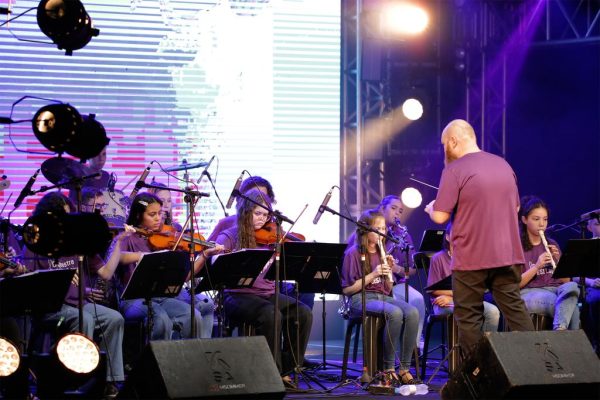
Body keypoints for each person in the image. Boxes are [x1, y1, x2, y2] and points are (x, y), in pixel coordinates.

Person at [424, 119, 533, 360]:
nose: (444, 150)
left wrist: (431, 208)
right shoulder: (503, 165)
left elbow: (441, 217)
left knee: (469, 319)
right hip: (508, 255)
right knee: (515, 311)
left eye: (444, 145)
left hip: (472, 258)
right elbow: (515, 208)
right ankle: (535, 372)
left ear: (453, 141)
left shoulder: (454, 169)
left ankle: (476, 381)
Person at [21, 191, 129, 397]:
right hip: (50, 307)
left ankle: (112, 380)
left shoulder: (76, 240)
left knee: (114, 319)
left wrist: (119, 242)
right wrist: (59, 277)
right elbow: (31, 280)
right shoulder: (36, 242)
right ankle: (81, 378)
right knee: (85, 319)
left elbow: (106, 273)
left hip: (77, 304)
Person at [214, 188, 312, 388]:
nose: (262, 219)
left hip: (266, 293)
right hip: (236, 295)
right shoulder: (229, 236)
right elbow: (217, 267)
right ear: (245, 211)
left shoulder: (272, 237)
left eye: (266, 215)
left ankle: (288, 369)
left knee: (303, 313)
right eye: (257, 213)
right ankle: (271, 372)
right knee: (271, 315)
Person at [115, 192, 220, 340]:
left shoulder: (165, 237)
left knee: (193, 314)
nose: (158, 218)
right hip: (133, 299)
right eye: (152, 214)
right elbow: (116, 257)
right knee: (161, 319)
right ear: (138, 215)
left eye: (160, 213)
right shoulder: (127, 236)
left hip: (162, 296)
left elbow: (184, 277)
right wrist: (143, 256)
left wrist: (204, 255)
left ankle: (195, 356)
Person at [341, 209, 420, 385]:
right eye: (377, 229)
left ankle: (405, 368)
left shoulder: (382, 251)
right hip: (359, 299)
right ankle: (389, 368)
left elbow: (388, 288)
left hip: (381, 296)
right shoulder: (353, 253)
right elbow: (347, 290)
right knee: (395, 313)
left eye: (383, 229)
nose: (381, 233)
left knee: (413, 312)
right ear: (365, 230)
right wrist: (373, 274)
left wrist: (389, 270)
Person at [147, 182, 215, 338]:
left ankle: (204, 350)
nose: (165, 206)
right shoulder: (147, 234)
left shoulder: (177, 229)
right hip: (159, 293)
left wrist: (204, 254)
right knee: (193, 312)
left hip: (176, 288)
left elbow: (186, 275)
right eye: (161, 201)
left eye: (169, 201)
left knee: (208, 305)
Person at [518, 196, 580, 330]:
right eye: (536, 219)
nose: (542, 224)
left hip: (556, 290)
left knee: (573, 286)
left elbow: (566, 281)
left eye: (545, 219)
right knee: (572, 310)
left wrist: (557, 261)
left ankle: (560, 332)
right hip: (529, 292)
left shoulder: (552, 244)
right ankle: (563, 336)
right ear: (524, 220)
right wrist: (537, 266)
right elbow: (515, 284)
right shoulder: (517, 247)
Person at [427, 224, 500, 332]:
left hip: (464, 300)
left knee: (493, 312)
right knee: (466, 312)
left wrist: (454, 297)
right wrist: (455, 297)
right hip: (443, 302)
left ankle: (484, 348)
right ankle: (462, 347)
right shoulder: (438, 258)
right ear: (447, 237)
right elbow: (433, 290)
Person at [378, 195, 426, 349]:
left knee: (418, 299)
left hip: (396, 284)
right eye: (393, 208)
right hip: (375, 285)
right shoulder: (368, 230)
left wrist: (396, 269)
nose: (397, 213)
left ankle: (414, 347)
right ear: (382, 209)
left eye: (400, 211)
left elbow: (412, 269)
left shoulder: (403, 235)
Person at [207, 175, 275, 242]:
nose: (259, 201)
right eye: (253, 196)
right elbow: (206, 250)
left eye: (263, 197)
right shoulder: (226, 223)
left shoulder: (273, 226)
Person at [581, 215, 600, 353]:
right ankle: (596, 343)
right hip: (593, 287)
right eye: (598, 224)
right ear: (589, 227)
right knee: (595, 300)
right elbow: (572, 275)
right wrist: (591, 282)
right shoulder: (583, 248)